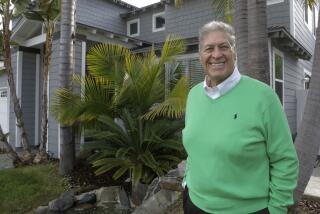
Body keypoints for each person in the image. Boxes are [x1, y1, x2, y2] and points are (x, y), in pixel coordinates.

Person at [182, 20, 299, 214]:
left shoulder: (264, 97)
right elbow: (194, 148)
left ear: (234, 52)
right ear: (200, 55)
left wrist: (276, 209)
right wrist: (186, 183)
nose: (216, 54)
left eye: (224, 46)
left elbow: (285, 160)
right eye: (209, 48)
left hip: (248, 209)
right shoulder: (193, 95)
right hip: (195, 204)